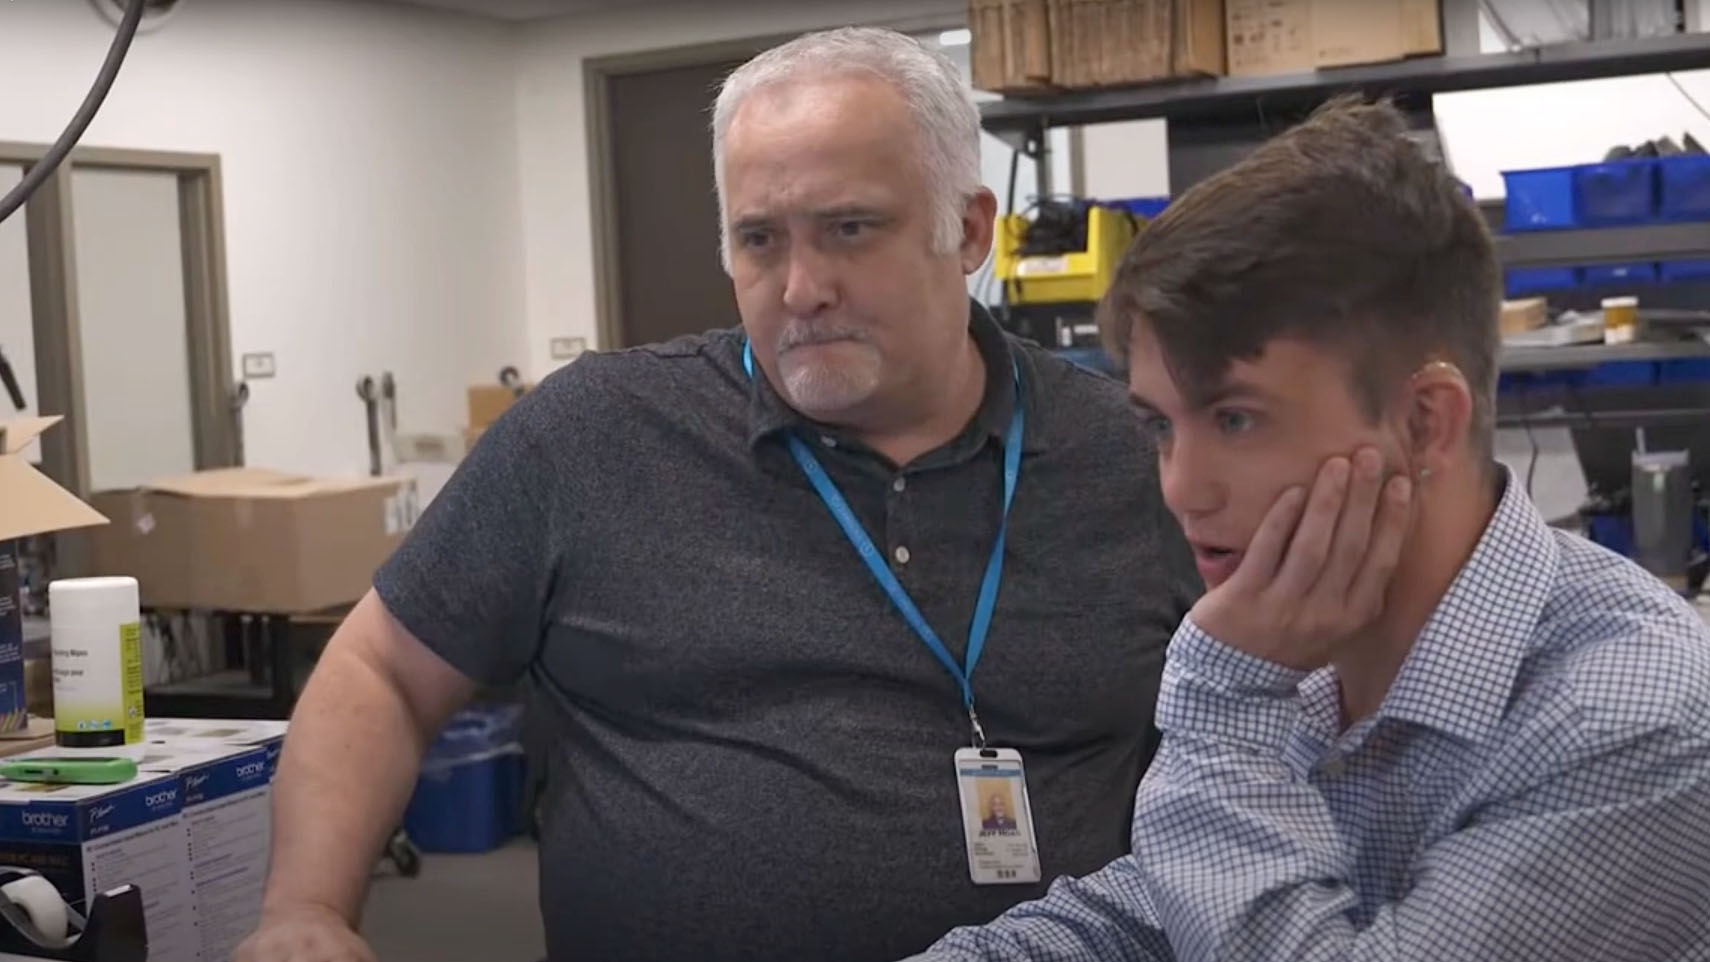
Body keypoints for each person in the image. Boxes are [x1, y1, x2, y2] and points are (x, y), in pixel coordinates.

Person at [236, 26, 1198, 962]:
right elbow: (381, 672)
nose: (801, 285)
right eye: (760, 240)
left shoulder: (1133, 451)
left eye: (849, 228)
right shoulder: (592, 437)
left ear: (969, 230)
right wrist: (306, 910)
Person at [907, 98, 1710, 962]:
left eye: (1238, 420)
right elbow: (1166, 904)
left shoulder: (1633, 722)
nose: (1183, 489)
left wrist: (1221, 699)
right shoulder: (1308, 635)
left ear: (1423, 423)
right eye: (1162, 425)